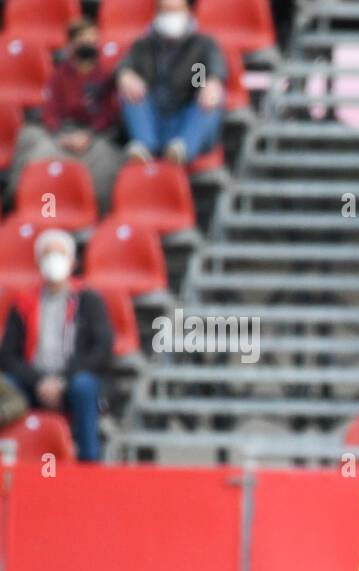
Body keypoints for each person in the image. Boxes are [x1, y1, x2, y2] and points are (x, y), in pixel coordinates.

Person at [0, 230, 113, 461]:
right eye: (48, 254)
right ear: (38, 262)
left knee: (84, 386)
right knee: (6, 386)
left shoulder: (88, 300)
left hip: (71, 381)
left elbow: (102, 348)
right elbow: (8, 355)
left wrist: (62, 380)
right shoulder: (24, 302)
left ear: (72, 261)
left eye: (59, 254)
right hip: (31, 383)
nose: (54, 260)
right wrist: (39, 381)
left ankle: (90, 463)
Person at [8, 19, 121, 211]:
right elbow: (50, 110)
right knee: (34, 155)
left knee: (109, 166)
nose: (88, 44)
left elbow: (108, 115)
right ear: (71, 45)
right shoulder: (59, 75)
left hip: (93, 137)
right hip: (61, 135)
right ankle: (25, 210)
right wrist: (62, 135)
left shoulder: (106, 77)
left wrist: (88, 136)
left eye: (93, 39)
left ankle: (97, 218)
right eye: (83, 39)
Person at [116, 0, 226, 165]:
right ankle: (144, 147)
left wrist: (211, 83)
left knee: (212, 96)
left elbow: (209, 72)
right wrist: (125, 75)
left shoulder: (201, 46)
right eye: (165, 11)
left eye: (175, 11)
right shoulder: (143, 45)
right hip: (152, 120)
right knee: (129, 90)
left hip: (185, 121)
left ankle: (182, 149)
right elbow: (124, 65)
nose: (170, 17)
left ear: (188, 11)